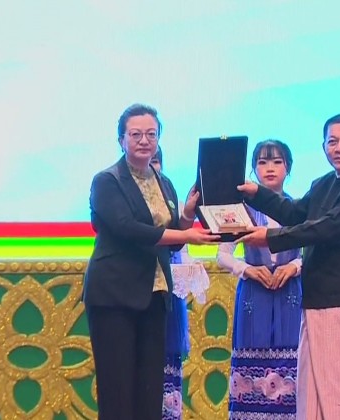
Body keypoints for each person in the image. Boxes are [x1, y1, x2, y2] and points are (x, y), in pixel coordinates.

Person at [236, 114, 340, 419]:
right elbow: (294, 213)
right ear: (324, 147)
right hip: (316, 302)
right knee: (313, 393)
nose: (339, 148)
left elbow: (327, 228)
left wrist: (268, 237)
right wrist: (257, 193)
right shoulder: (323, 184)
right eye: (332, 142)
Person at [83, 103, 218, 420]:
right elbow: (129, 230)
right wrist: (186, 235)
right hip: (114, 296)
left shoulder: (163, 182)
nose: (144, 141)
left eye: (151, 134)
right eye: (135, 134)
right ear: (121, 140)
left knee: (149, 389)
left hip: (155, 294)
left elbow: (172, 239)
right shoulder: (107, 181)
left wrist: (188, 216)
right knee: (118, 390)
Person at [217, 139, 302, 419]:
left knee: (294, 360)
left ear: (288, 168)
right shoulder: (240, 210)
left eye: (277, 161)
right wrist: (248, 270)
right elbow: (223, 255)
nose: (270, 168)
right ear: (254, 169)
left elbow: (315, 251)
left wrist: (295, 266)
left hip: (291, 294)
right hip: (254, 296)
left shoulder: (299, 209)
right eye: (263, 162)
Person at [150, 146, 194, 420]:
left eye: (156, 160)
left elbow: (181, 250)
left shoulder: (169, 196)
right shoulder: (118, 191)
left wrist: (188, 216)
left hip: (167, 299)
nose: (151, 165)